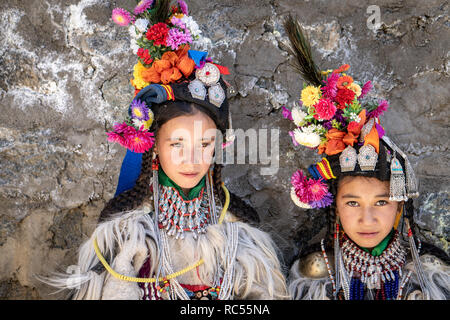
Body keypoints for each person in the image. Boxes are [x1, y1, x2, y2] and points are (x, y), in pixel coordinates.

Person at [41, 0, 288, 300]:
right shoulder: (127, 234)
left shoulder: (240, 232)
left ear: (219, 146)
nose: (193, 160)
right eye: (177, 144)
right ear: (154, 146)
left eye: (205, 145)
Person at [281, 15, 449, 300]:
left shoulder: (431, 273)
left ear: (400, 207)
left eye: (382, 202)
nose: (366, 219)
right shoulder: (315, 274)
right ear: (334, 204)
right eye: (352, 202)